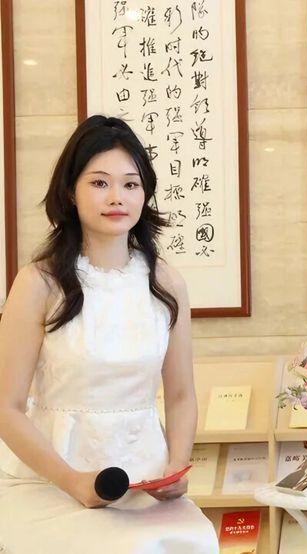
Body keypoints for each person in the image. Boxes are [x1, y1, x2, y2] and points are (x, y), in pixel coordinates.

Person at [0, 116, 219, 553]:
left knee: (193, 542)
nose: (117, 197)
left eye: (130, 184)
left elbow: (180, 395)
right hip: (50, 481)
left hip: (144, 481)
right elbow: (6, 407)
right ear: (70, 191)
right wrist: (73, 481)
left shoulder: (166, 282)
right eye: (100, 183)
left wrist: (176, 466)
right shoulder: (39, 282)